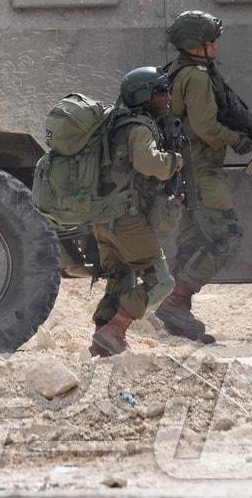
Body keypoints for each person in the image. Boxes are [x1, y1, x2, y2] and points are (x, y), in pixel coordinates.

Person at [155, 10, 252, 343]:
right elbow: (205, 127)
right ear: (197, 45)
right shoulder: (197, 76)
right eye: (211, 39)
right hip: (201, 170)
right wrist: (239, 140)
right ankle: (176, 302)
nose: (216, 44)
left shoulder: (180, 71)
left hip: (185, 169)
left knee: (190, 242)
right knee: (227, 236)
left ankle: (172, 314)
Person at [89, 67, 183, 357]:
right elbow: (147, 163)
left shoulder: (115, 124)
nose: (167, 97)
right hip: (127, 218)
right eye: (160, 92)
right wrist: (174, 161)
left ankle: (101, 342)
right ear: (145, 96)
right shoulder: (139, 127)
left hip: (103, 219)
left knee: (121, 278)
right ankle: (115, 329)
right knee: (162, 282)